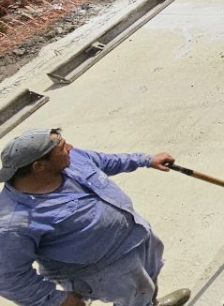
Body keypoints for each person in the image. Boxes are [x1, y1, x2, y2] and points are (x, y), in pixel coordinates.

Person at [0, 129, 191, 306]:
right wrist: (57, 300)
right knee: (133, 299)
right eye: (62, 148)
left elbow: (104, 160)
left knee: (147, 283)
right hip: (103, 270)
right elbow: (9, 277)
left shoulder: (71, 159)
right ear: (39, 166)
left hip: (137, 236)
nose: (70, 148)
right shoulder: (14, 222)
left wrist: (145, 160)